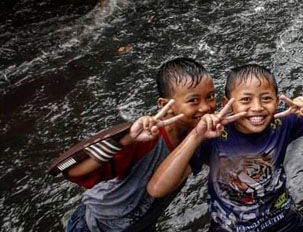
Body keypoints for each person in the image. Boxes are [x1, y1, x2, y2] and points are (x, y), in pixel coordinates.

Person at [147, 64, 303, 232]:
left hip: (283, 217)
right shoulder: (212, 137)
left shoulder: (281, 123)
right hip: (230, 226)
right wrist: (196, 135)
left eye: (266, 98)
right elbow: (156, 189)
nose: (256, 108)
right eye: (246, 100)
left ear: (277, 100)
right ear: (227, 104)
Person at [63, 57, 217, 231]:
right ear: (165, 105)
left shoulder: (202, 134)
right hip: (95, 225)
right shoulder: (144, 137)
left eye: (210, 96)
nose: (205, 107)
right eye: (193, 100)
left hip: (140, 225)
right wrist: (126, 139)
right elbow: (74, 172)